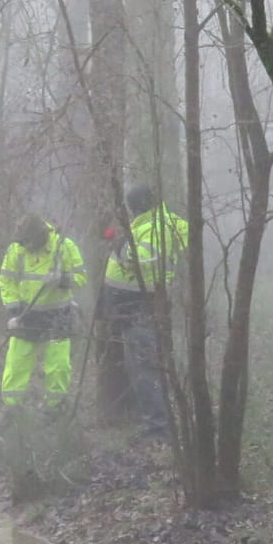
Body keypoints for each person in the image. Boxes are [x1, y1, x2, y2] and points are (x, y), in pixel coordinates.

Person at [101, 184, 188, 434]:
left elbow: (143, 259)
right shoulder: (150, 224)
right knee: (139, 366)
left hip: (140, 306)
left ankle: (158, 428)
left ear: (136, 206)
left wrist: (119, 245)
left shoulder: (155, 227)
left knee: (144, 367)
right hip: (133, 306)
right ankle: (155, 423)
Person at [0, 215, 87, 407]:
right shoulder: (16, 249)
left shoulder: (63, 246)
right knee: (16, 367)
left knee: (58, 368)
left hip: (58, 318)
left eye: (29, 242)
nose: (26, 247)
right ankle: (12, 411)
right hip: (26, 317)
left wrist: (61, 281)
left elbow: (81, 278)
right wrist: (14, 313)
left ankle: (54, 410)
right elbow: (6, 281)